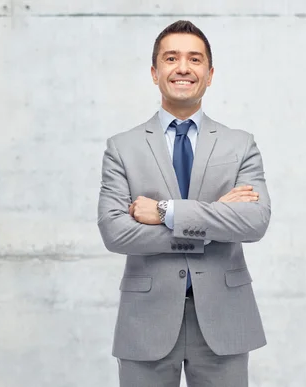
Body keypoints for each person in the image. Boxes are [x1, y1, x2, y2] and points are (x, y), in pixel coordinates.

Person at [97, 20, 271, 387]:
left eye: (195, 59)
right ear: (154, 72)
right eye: (171, 58)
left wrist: (165, 213)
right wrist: (213, 222)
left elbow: (254, 222)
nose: (182, 68)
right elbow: (115, 232)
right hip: (145, 320)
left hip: (225, 319)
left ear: (209, 74)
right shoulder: (122, 147)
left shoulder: (240, 145)